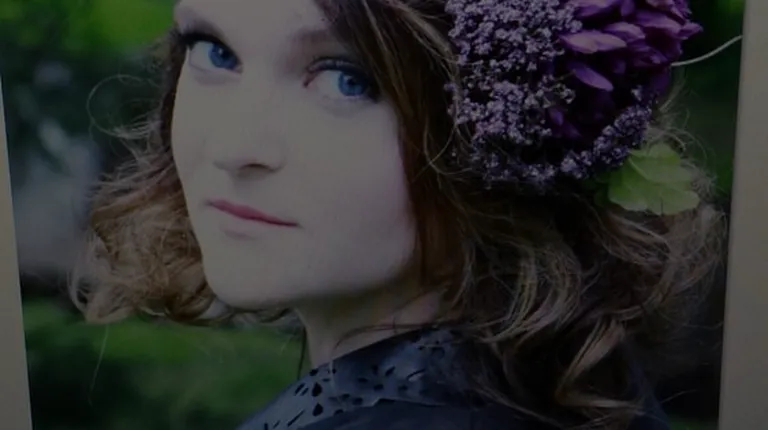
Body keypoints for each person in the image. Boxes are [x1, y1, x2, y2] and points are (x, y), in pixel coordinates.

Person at [71, 0, 725, 429]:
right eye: (213, 51)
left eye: (345, 79)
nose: (234, 146)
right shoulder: (567, 386)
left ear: (512, 127)